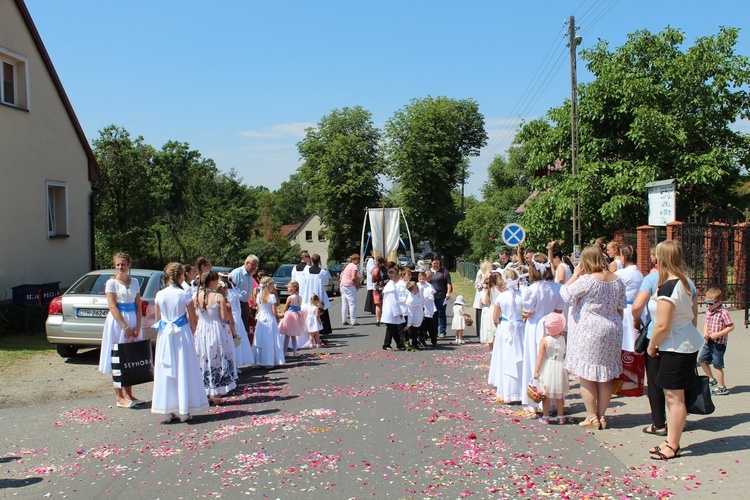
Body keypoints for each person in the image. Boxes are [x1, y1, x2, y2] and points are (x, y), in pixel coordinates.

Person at [646, 240, 704, 460]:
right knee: (671, 396)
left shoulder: (670, 286)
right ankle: (671, 440)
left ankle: (673, 444)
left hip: (674, 346)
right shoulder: (684, 282)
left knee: (674, 397)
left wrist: (652, 345)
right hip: (681, 343)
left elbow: (662, 324)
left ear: (662, 258)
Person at [631, 255, 697, 438]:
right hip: (682, 340)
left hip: (658, 337)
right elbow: (694, 314)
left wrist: (636, 320)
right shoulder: (687, 282)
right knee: (676, 389)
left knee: (656, 384)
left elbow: (637, 306)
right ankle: (676, 424)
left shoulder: (655, 280)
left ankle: (659, 423)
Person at [562, 245, 626, 430]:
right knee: (605, 376)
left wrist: (575, 274)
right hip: (612, 330)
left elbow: (565, 294)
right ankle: (602, 416)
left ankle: (591, 416)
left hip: (589, 332)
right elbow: (620, 307)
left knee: (587, 375)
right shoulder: (617, 280)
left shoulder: (588, 280)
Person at [151, 263, 209, 423]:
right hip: (182, 333)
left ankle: (167, 411)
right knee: (183, 368)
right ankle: (184, 410)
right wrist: (191, 333)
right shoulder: (184, 294)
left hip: (165, 335)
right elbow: (193, 318)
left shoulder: (160, 295)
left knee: (166, 368)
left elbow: (157, 319)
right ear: (180, 276)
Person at [98, 252, 145, 408]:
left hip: (133, 317)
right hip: (118, 322)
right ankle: (119, 397)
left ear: (129, 266)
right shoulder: (111, 283)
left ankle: (129, 393)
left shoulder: (135, 282)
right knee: (118, 357)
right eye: (118, 264)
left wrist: (138, 326)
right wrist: (125, 326)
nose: (120, 267)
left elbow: (138, 305)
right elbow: (112, 306)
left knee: (130, 357)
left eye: (123, 264)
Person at [520, 253, 565, 413]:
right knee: (549, 360)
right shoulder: (557, 288)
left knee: (535, 358)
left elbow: (528, 311)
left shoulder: (531, 289)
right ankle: (551, 402)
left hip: (535, 326)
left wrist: (527, 314)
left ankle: (535, 400)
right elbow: (559, 310)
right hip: (551, 325)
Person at [193, 270, 237, 405]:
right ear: (212, 282)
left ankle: (205, 393)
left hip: (201, 329)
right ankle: (216, 394)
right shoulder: (218, 297)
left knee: (204, 359)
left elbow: (194, 316)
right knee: (216, 359)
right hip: (215, 329)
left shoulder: (195, 295)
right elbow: (224, 318)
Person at [489, 268, 524, 403]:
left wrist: (500, 325)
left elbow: (495, 318)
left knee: (505, 358)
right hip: (520, 329)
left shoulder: (501, 297)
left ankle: (507, 392)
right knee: (520, 358)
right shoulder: (522, 295)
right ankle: (520, 391)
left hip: (505, 328)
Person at [534, 312, 570, 425]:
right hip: (559, 366)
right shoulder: (563, 339)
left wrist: (536, 371)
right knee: (559, 395)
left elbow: (540, 357)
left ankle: (545, 416)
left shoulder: (544, 340)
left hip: (548, 367)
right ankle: (561, 417)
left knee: (546, 395)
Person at [699, 287, 734, 396]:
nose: (708, 306)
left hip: (719, 343)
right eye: (706, 303)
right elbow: (706, 323)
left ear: (719, 302)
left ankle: (722, 387)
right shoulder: (709, 311)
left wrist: (718, 334)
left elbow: (731, 327)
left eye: (711, 303)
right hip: (708, 341)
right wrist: (705, 332)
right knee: (702, 360)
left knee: (717, 365)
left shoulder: (723, 312)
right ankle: (712, 379)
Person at [221, 273, 255, 369]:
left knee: (233, 339)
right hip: (235, 314)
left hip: (231, 315)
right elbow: (238, 306)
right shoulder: (234, 290)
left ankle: (234, 364)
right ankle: (236, 363)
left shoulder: (226, 292)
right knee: (235, 338)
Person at [615, 245, 644, 352]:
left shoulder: (621, 273)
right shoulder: (639, 273)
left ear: (625, 257)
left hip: (626, 310)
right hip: (638, 309)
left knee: (626, 342)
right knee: (635, 341)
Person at [254, 277, 285, 368]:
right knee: (270, 339)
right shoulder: (271, 297)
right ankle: (269, 361)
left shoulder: (259, 296)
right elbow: (274, 312)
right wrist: (279, 315)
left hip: (261, 318)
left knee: (260, 338)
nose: (273, 286)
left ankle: (259, 361)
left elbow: (259, 309)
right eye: (272, 285)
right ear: (268, 285)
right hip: (269, 318)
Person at [229, 254, 259, 333]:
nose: (255, 268)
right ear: (247, 263)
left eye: (256, 267)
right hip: (237, 304)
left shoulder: (249, 275)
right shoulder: (237, 273)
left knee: (244, 328)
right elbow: (231, 290)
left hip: (245, 304)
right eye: (254, 266)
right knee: (238, 327)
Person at [305, 254, 333, 339]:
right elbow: (325, 282)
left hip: (309, 292)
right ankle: (323, 329)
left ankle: (310, 329)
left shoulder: (306, 271)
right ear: (319, 261)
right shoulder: (323, 272)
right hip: (319, 293)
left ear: (311, 260)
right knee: (320, 309)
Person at [279, 280, 305, 357]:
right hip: (297, 316)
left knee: (287, 335)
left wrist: (283, 313)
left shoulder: (290, 297)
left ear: (293, 289)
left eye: (289, 287)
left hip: (290, 316)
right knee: (293, 335)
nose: (287, 288)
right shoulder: (299, 297)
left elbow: (286, 307)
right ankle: (294, 351)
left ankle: (284, 351)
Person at [381, 268, 405, 350]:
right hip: (391, 311)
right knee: (391, 328)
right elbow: (393, 302)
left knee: (394, 328)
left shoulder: (392, 285)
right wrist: (398, 312)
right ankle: (386, 344)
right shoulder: (391, 287)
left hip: (393, 310)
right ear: (395, 276)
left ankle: (399, 343)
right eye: (399, 275)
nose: (400, 277)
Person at [429, 257, 453, 338]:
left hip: (441, 295)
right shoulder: (428, 272)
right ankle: (434, 331)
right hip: (430, 297)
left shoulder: (444, 271)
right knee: (433, 315)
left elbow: (448, 283)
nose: (436, 265)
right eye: (434, 263)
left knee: (441, 314)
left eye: (437, 263)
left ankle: (442, 331)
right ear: (431, 263)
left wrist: (448, 293)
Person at [480, 272, 501, 349]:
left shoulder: (494, 289)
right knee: (492, 329)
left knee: (496, 329)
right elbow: (487, 302)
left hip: (496, 308)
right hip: (493, 308)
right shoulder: (491, 290)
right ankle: (493, 347)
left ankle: (496, 347)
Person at [340, 254, 361, 326]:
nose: (358, 261)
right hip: (349, 286)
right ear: (354, 260)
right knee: (352, 304)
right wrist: (357, 284)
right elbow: (353, 277)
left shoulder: (348, 265)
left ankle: (344, 320)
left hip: (343, 285)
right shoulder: (354, 266)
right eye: (357, 259)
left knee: (344, 304)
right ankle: (353, 321)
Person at [419, 271, 438, 347]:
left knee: (430, 326)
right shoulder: (417, 286)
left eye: (423, 279)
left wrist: (424, 297)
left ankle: (434, 340)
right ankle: (421, 339)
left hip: (428, 308)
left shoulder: (429, 286)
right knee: (421, 326)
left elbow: (431, 298)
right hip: (420, 309)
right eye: (420, 279)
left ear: (426, 279)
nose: (422, 280)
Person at [403, 281, 425, 349]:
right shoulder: (411, 300)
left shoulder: (419, 294)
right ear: (411, 291)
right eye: (415, 288)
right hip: (413, 317)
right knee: (413, 330)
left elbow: (422, 301)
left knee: (417, 329)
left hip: (419, 314)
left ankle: (416, 341)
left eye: (417, 287)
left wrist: (422, 306)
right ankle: (413, 343)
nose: (417, 289)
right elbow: (410, 313)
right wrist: (409, 324)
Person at [472, 261, 491, 336]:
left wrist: (480, 281)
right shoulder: (480, 272)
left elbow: (480, 287)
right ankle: (480, 333)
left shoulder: (488, 274)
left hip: (485, 296)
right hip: (481, 296)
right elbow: (477, 286)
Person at [371, 257, 388, 326]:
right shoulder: (387, 269)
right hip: (386, 287)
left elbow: (373, 280)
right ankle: (386, 319)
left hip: (377, 287)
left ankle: (378, 320)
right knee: (385, 304)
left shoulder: (375, 270)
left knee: (378, 305)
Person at [364, 250, 376, 315]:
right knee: (373, 296)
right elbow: (372, 269)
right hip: (372, 281)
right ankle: (373, 309)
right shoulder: (371, 260)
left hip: (373, 282)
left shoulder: (374, 260)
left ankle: (373, 309)